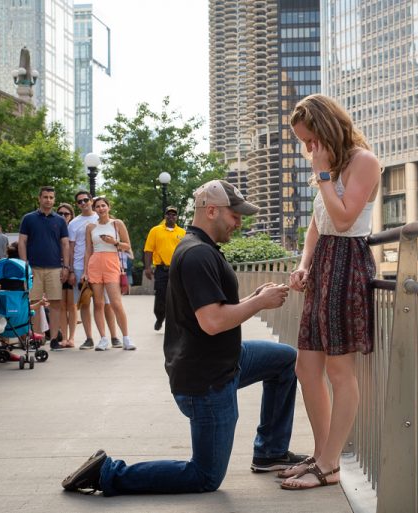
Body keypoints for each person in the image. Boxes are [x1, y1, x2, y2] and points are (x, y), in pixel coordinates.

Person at [61, 179, 306, 495]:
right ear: (212, 211)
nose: (239, 223)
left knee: (285, 360)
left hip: (223, 360)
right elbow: (213, 322)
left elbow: (212, 311)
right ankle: (108, 474)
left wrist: (251, 298)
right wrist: (259, 303)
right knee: (205, 477)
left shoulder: (199, 248)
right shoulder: (197, 255)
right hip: (206, 381)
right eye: (235, 216)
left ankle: (270, 452)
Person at [280, 94, 380, 490]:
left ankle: (330, 464)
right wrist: (303, 264)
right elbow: (317, 226)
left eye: (310, 140)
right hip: (322, 266)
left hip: (348, 265)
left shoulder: (363, 161)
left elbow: (343, 219)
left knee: (340, 371)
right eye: (303, 143)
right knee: (306, 367)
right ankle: (322, 456)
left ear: (325, 129)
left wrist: (322, 174)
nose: (308, 149)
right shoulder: (329, 166)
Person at [18, 186, 71, 350]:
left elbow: (65, 244)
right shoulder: (28, 218)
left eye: (51, 197)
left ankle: (54, 339)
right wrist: (24, 264)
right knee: (34, 303)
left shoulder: (60, 220)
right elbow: (22, 242)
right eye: (45, 197)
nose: (48, 200)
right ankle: (37, 338)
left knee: (55, 303)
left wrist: (66, 266)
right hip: (33, 268)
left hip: (55, 267)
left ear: (54, 200)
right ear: (39, 198)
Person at [82, 196, 134, 351]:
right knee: (97, 303)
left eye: (103, 205)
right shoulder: (90, 226)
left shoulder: (117, 223)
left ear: (108, 207)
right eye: (97, 206)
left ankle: (126, 337)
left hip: (111, 262)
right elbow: (88, 250)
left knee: (115, 303)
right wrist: (85, 271)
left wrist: (114, 242)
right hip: (95, 263)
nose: (100, 209)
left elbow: (127, 246)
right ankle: (103, 338)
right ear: (94, 209)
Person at [143, 205, 185, 330]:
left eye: (173, 214)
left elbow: (185, 251)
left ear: (176, 217)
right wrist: (147, 267)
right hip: (161, 269)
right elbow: (148, 250)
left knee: (177, 296)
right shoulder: (155, 230)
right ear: (165, 216)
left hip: (177, 269)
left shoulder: (182, 233)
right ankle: (160, 317)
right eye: (169, 214)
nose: (171, 216)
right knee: (161, 296)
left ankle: (175, 323)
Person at [56, 203, 77, 348]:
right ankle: (63, 337)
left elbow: (76, 251)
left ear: (71, 215)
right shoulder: (54, 228)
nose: (63, 216)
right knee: (61, 305)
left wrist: (72, 270)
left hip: (73, 268)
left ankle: (72, 338)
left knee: (72, 305)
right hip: (57, 269)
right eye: (60, 214)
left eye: (66, 214)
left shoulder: (73, 229)